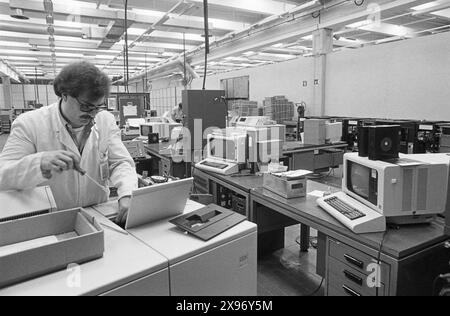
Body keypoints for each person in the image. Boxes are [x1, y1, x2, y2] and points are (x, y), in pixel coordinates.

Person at [0, 61, 137, 226]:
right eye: (86, 106)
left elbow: (120, 162)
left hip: (99, 215)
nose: (92, 114)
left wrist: (127, 194)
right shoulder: (30, 124)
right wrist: (39, 163)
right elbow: (3, 176)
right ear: (64, 95)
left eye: (97, 107)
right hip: (52, 220)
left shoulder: (104, 120)